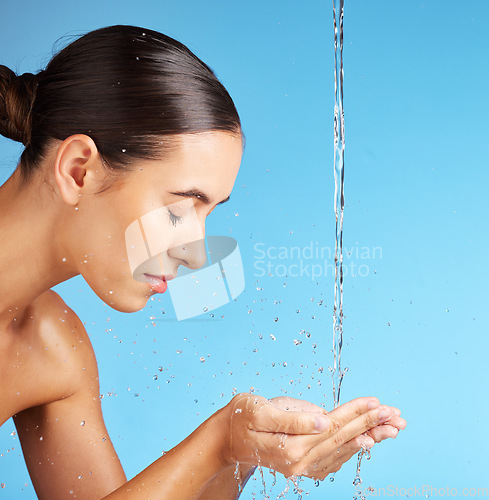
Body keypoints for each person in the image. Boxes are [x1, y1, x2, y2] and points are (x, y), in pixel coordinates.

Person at [0, 25, 406, 499]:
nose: (196, 252)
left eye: (209, 210)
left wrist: (242, 449)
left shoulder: (50, 349)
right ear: (79, 169)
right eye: (182, 205)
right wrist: (217, 444)